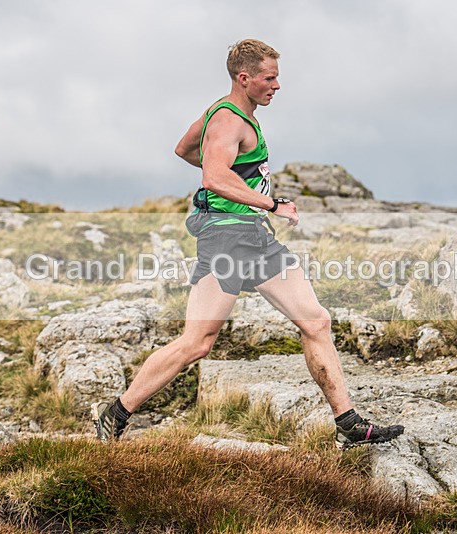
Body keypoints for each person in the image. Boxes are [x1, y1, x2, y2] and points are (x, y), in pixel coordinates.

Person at [91, 39, 404, 450]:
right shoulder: (228, 120)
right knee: (197, 344)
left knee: (315, 321)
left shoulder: (226, 114)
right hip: (226, 239)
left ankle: (347, 423)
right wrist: (272, 203)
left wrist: (232, 179)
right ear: (245, 78)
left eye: (277, 77)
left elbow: (185, 149)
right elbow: (213, 177)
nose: (277, 85)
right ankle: (116, 413)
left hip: (254, 237)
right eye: (269, 78)